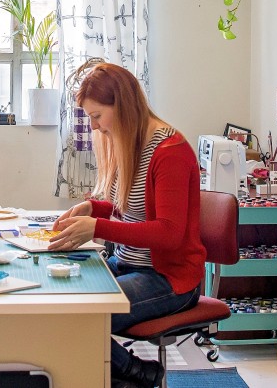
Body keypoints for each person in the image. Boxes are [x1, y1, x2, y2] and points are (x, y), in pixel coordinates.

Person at [49, 61, 205, 388]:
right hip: (127, 264)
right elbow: (131, 209)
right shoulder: (130, 140)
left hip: (169, 279)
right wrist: (93, 208)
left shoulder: (170, 152)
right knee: (56, 301)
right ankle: (124, 374)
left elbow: (169, 233)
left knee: (79, 315)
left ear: (122, 106)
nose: (94, 127)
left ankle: (134, 372)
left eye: (97, 116)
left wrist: (96, 227)